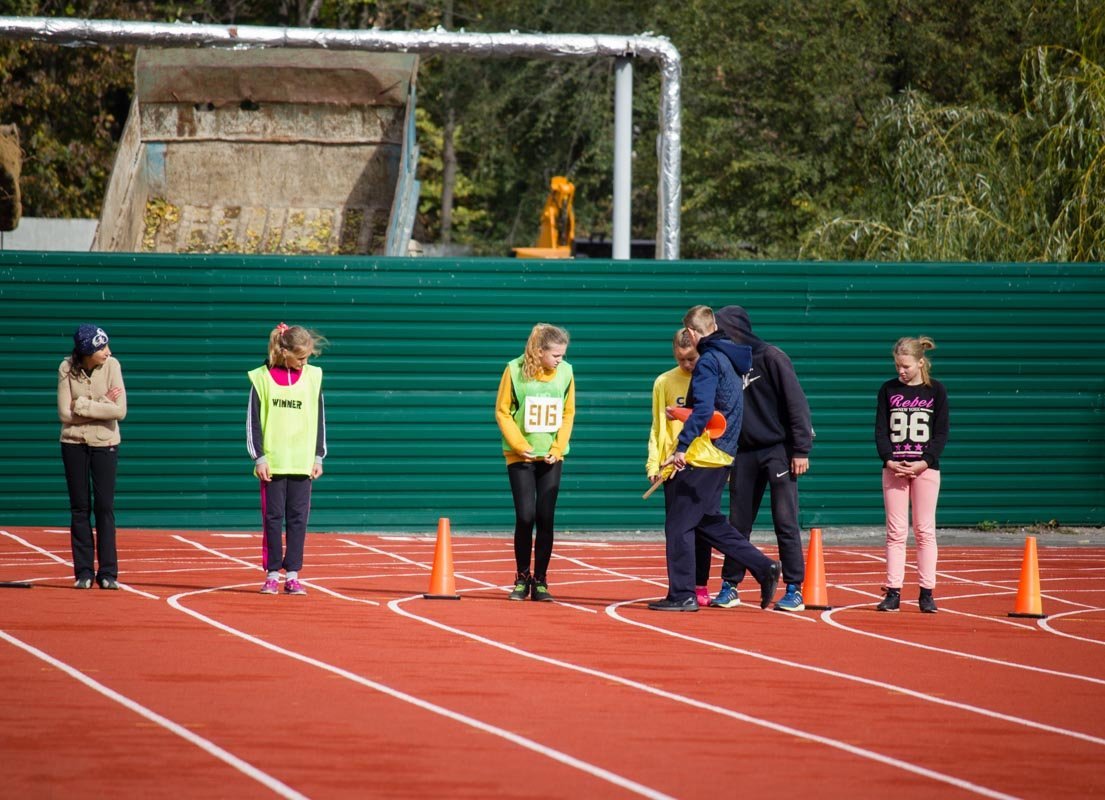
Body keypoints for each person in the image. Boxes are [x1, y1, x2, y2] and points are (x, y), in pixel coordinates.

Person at [648, 306, 781, 612]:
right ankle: (763, 567)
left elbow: (706, 410)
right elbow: (722, 407)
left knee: (679, 526)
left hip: (704, 453)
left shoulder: (708, 361)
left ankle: (682, 594)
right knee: (708, 521)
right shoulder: (729, 357)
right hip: (724, 451)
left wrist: (681, 446)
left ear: (693, 333)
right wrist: (681, 414)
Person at [712, 305, 814, 612]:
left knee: (785, 520)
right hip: (743, 453)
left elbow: (796, 403)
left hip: (777, 451)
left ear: (736, 330)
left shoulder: (771, 357)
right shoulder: (724, 364)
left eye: (721, 329)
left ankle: (794, 588)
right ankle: (730, 585)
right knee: (737, 522)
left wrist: (800, 449)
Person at [495, 323, 575, 602]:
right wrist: (520, 445)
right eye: (555, 355)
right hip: (521, 456)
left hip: (551, 455)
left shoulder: (565, 373)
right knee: (525, 516)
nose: (560, 360)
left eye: (563, 355)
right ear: (540, 352)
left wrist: (557, 446)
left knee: (546, 517)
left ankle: (540, 580)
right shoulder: (514, 370)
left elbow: (568, 412)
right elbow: (502, 411)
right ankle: (521, 577)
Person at [247, 323, 328, 596]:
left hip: (302, 462)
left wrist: (318, 455)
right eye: (301, 357)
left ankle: (292, 574)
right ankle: (271, 573)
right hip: (274, 462)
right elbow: (253, 423)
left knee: (297, 519)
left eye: (307, 357)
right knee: (273, 518)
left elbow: (320, 419)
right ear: (285, 352)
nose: (305, 362)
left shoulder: (313, 377)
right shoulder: (262, 378)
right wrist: (259, 457)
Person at [874, 335, 949, 613]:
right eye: (897, 366)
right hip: (894, 468)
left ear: (920, 362)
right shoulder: (887, 390)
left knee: (924, 530)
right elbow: (881, 430)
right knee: (895, 532)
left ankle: (926, 592)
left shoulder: (936, 391)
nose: (901, 371)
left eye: (905, 366)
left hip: (925, 470)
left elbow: (941, 433)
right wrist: (889, 459)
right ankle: (893, 592)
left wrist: (925, 461)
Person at [647, 329, 714, 606]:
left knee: (704, 527)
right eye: (682, 359)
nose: (688, 365)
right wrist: (653, 460)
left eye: (692, 359)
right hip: (671, 465)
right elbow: (657, 425)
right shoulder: (664, 382)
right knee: (677, 531)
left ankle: (699, 584)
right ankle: (681, 588)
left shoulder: (709, 379)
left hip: (702, 462)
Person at [57, 324, 127, 590]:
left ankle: (108, 572)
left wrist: (83, 405)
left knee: (105, 507)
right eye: (102, 348)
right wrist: (103, 404)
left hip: (105, 442)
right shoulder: (65, 368)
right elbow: (64, 414)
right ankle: (84, 571)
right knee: (79, 507)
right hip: (73, 443)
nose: (108, 352)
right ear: (87, 351)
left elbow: (119, 411)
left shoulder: (113, 366)